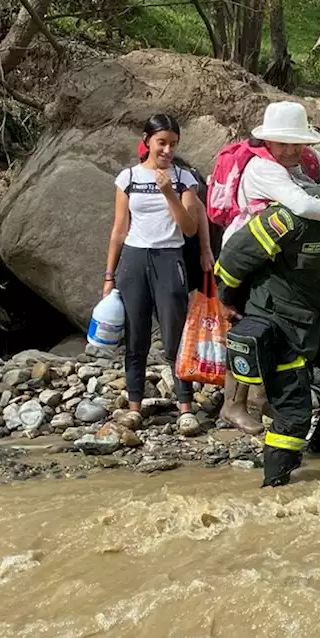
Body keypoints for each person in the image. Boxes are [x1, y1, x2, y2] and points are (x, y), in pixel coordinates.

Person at [213, 132, 320, 487]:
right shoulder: (290, 217)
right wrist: (230, 303)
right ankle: (275, 489)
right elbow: (232, 260)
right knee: (293, 417)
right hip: (278, 324)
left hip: (317, 316)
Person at [215, 101, 320, 435]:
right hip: (250, 252)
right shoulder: (263, 169)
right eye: (284, 143)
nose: (292, 149)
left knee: (270, 333)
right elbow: (301, 203)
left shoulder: (303, 162)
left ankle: (263, 399)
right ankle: (233, 404)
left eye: (297, 142)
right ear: (269, 142)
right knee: (249, 327)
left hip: (278, 252)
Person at [103, 114, 213, 436]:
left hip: (170, 258)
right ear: (147, 140)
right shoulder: (128, 178)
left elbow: (190, 227)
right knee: (135, 336)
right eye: (161, 142)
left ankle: (185, 407)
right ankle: (134, 406)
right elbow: (119, 229)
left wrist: (169, 194)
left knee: (174, 337)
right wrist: (109, 275)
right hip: (134, 260)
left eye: (173, 144)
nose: (167, 149)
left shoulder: (184, 179)